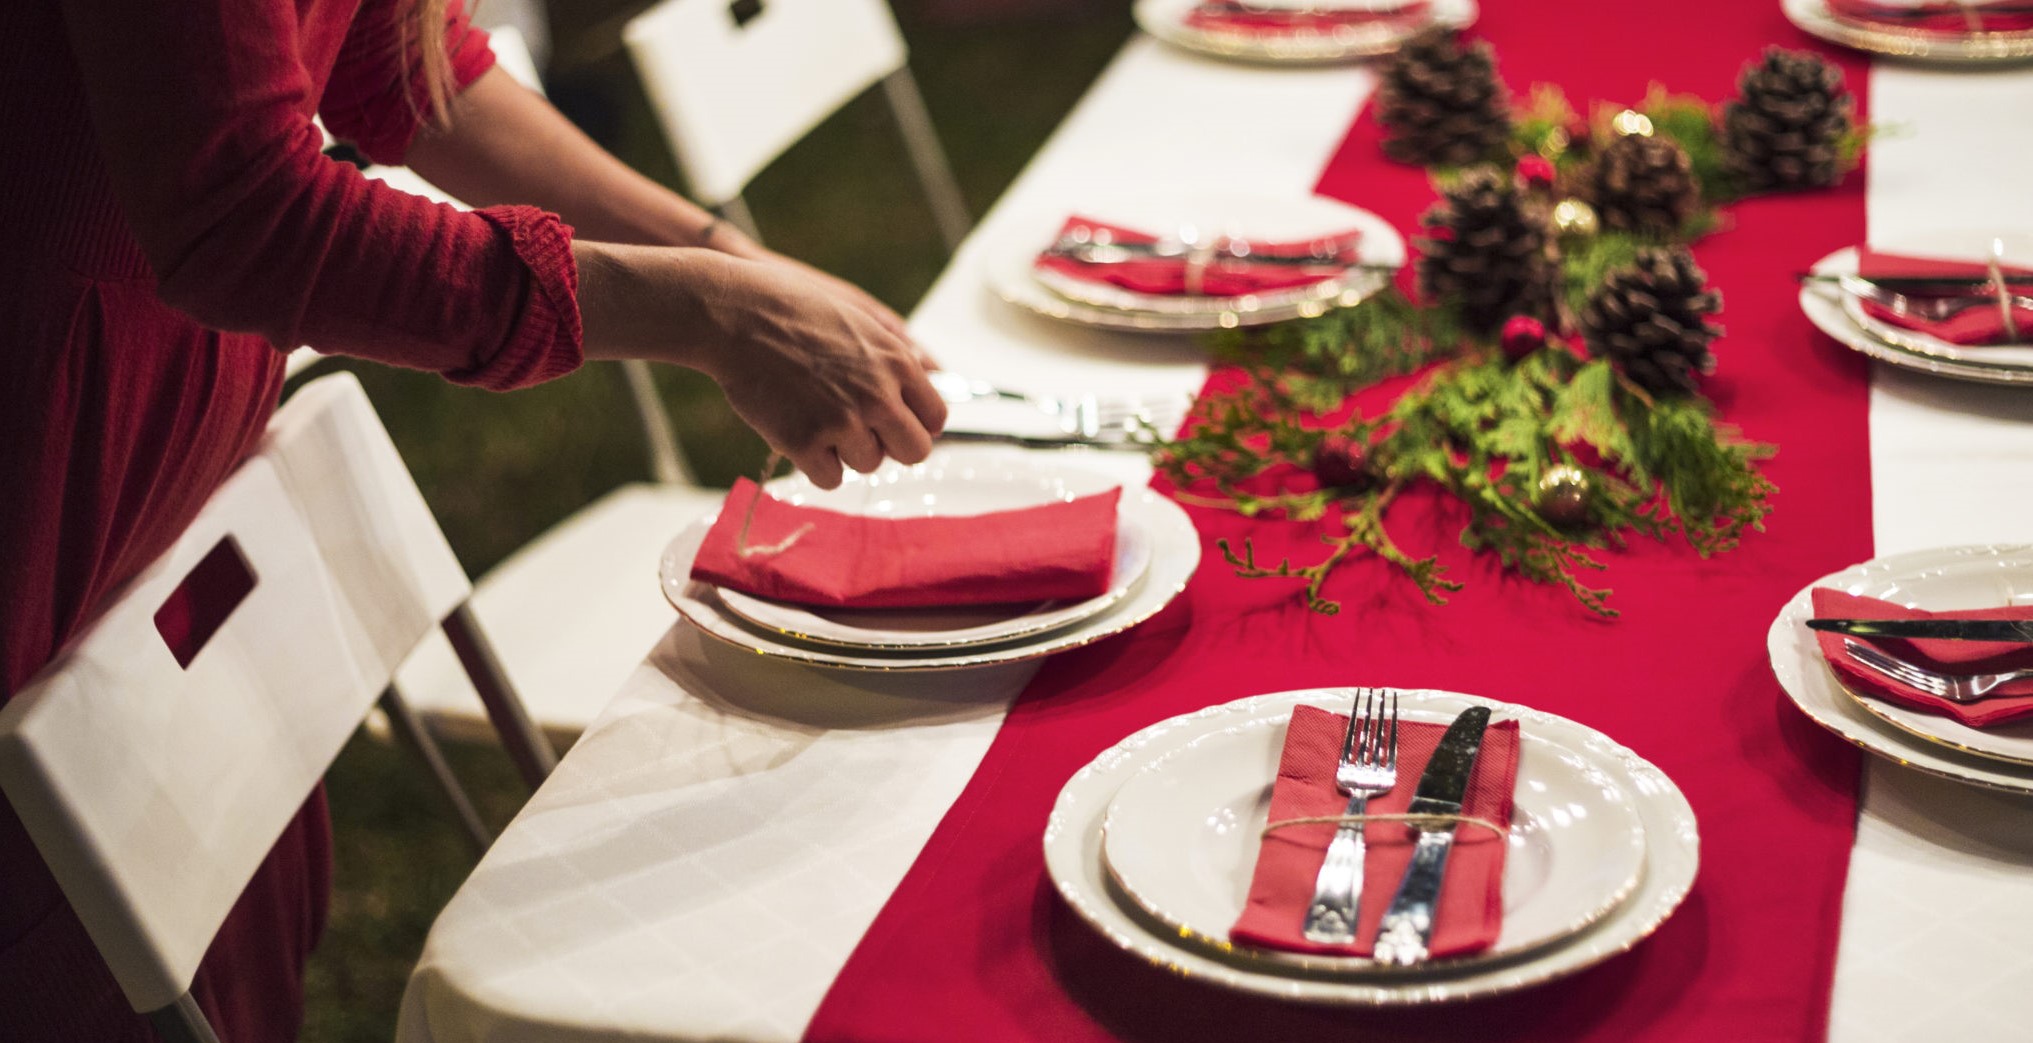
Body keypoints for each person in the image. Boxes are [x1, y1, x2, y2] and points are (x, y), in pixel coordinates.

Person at [0, 0, 947, 1037]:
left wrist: (729, 263)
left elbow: (401, 59)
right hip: (43, 442)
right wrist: (703, 310)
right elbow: (243, 217)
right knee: (71, 936)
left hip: (167, 432)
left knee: (186, 892)